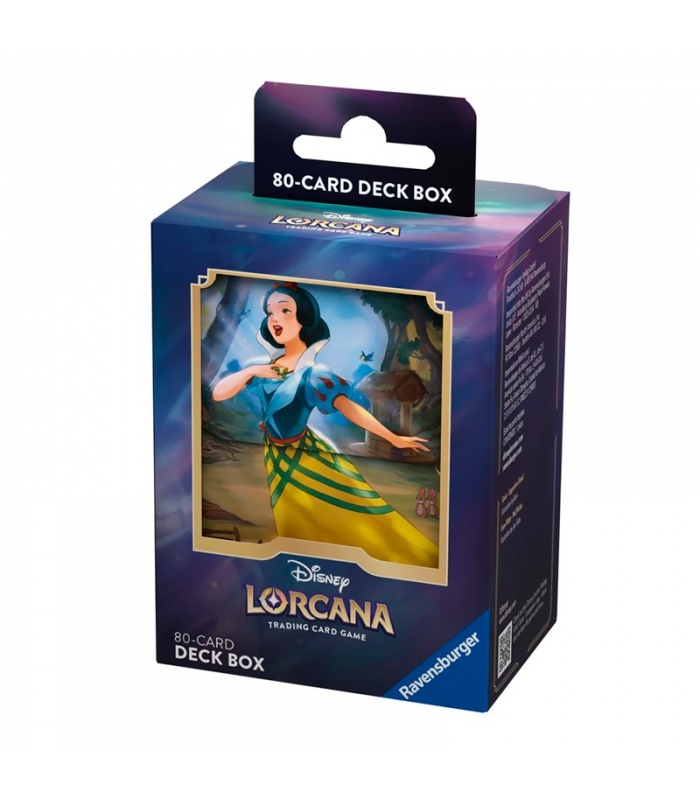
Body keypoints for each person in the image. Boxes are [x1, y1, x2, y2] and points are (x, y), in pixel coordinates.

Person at [212, 282, 438, 568]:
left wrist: (393, 437)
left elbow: (349, 407)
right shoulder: (261, 366)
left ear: (304, 319)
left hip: (307, 456)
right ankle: (298, 565)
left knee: (345, 508)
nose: (275, 318)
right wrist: (255, 371)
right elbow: (219, 393)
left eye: (285, 310)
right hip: (275, 456)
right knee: (289, 513)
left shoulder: (315, 374)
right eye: (270, 312)